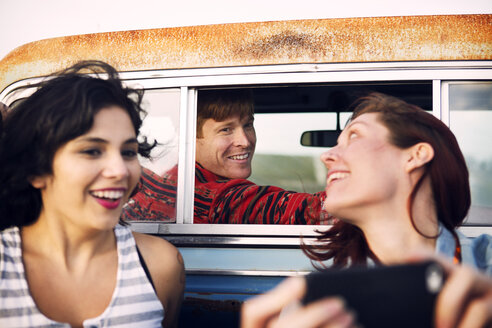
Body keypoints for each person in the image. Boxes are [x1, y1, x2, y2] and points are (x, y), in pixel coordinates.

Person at [240, 93, 492, 328]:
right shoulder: (313, 306)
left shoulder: (485, 266)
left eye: (354, 136)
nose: (326, 156)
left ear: (415, 156)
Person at [0, 61, 184, 327]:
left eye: (129, 152)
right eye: (92, 151)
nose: (120, 170)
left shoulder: (160, 265)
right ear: (36, 170)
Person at [123, 89, 329, 224]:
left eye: (248, 125)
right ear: (189, 138)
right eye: (226, 130)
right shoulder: (218, 198)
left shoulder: (159, 181)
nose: (245, 141)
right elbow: (314, 211)